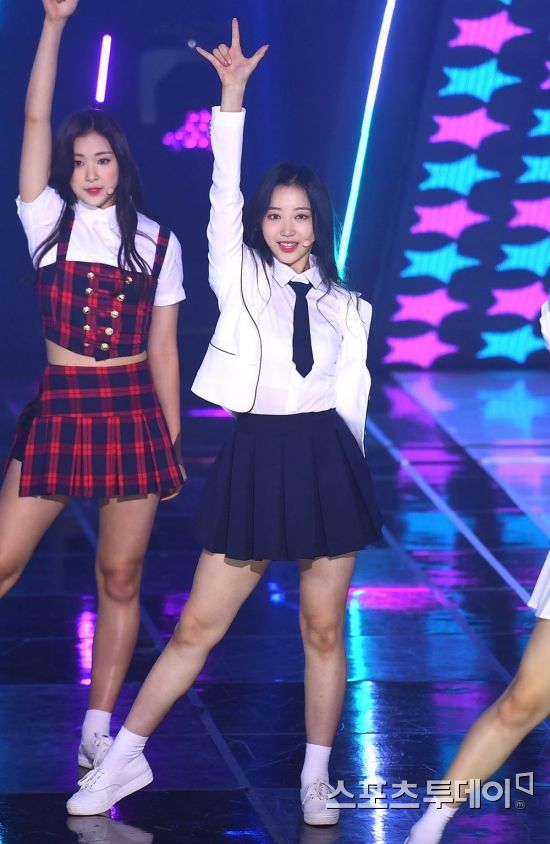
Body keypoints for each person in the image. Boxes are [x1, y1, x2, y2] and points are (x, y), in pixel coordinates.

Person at [66, 18, 382, 825]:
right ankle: (123, 761)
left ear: (320, 223)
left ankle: (315, 778)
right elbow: (223, 191)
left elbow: (352, 407)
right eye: (275, 216)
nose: (287, 229)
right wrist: (231, 98)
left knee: (323, 632)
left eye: (301, 216)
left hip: (326, 465)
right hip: (256, 457)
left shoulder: (350, 307)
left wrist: (351, 485)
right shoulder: (240, 278)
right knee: (196, 629)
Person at [0, 0, 186, 774]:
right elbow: (34, 116)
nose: (90, 173)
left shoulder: (158, 240)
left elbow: (164, 348)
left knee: (120, 576)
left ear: (121, 163)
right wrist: (52, 25)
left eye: (102, 160)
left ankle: (99, 729)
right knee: (3, 561)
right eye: (78, 162)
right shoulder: (46, 219)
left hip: (133, 414)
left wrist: (172, 441)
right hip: (63, 411)